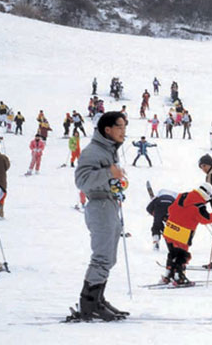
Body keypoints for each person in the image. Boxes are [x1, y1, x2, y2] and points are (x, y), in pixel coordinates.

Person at [73, 111, 130, 321]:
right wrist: (109, 174)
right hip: (99, 205)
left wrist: (116, 183)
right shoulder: (93, 151)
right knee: (102, 257)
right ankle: (89, 304)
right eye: (120, 127)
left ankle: (98, 299)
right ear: (107, 129)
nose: (124, 131)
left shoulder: (108, 149)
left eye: (125, 127)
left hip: (109, 204)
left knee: (109, 257)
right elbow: (82, 180)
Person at [162, 183, 212, 285]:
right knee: (182, 256)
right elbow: (206, 219)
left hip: (169, 229)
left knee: (173, 253)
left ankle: (168, 274)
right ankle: (179, 276)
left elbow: (170, 209)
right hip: (182, 234)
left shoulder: (182, 196)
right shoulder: (199, 206)